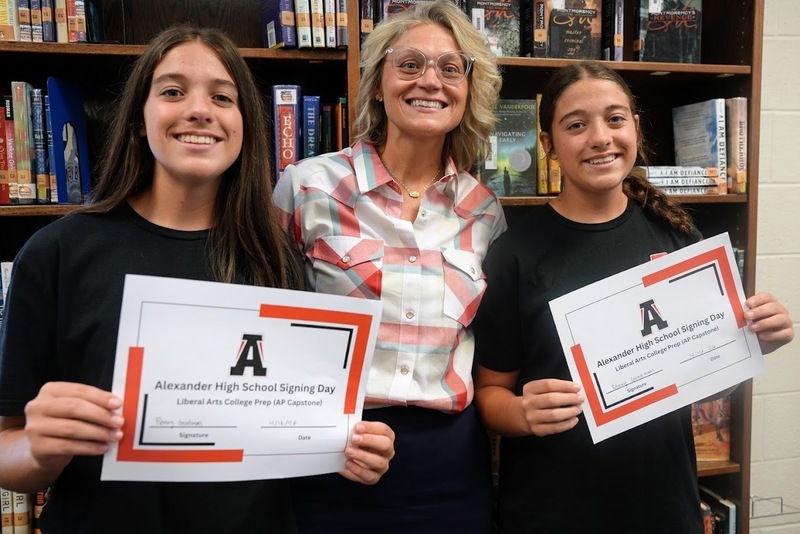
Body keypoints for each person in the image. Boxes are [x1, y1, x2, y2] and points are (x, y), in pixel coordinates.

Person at [0, 25, 393, 534]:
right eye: (172, 91)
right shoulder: (57, 254)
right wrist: (38, 448)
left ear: (245, 125)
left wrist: (352, 446)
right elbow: (9, 452)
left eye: (222, 97)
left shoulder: (277, 260)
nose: (200, 110)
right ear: (140, 121)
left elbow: (296, 424)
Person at [471, 61, 795, 533]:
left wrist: (750, 345)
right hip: (552, 510)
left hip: (661, 503)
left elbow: (703, 384)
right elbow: (489, 393)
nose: (600, 137)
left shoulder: (677, 238)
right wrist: (520, 413)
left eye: (615, 119)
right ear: (548, 145)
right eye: (576, 125)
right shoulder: (515, 255)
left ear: (636, 129)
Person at [272, 1, 506, 532]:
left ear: (468, 91)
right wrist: (320, 434)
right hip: (329, 456)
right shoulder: (307, 186)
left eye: (451, 68)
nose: (431, 81)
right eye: (409, 64)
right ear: (378, 83)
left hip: (450, 470)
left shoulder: (485, 211)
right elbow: (262, 323)